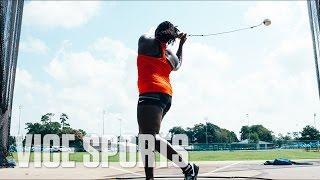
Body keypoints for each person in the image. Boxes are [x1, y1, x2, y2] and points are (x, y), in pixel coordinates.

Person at [136, 21, 199, 180]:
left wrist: (167, 32)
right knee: (145, 138)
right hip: (165, 96)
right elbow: (178, 65)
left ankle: (188, 167)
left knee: (150, 137)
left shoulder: (145, 42)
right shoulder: (169, 54)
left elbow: (147, 32)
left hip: (150, 93)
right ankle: (149, 178)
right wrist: (181, 44)